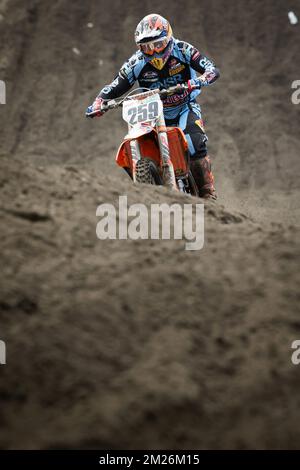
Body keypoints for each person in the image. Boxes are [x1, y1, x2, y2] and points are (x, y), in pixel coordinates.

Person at [86, 13, 220, 199]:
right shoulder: (136, 62)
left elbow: (211, 69)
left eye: (158, 44)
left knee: (194, 142)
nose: (154, 51)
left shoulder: (183, 50)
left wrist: (199, 80)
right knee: (136, 142)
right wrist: (99, 101)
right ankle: (147, 184)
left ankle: (207, 192)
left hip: (184, 107)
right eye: (146, 47)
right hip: (150, 112)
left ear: (168, 39)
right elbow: (117, 84)